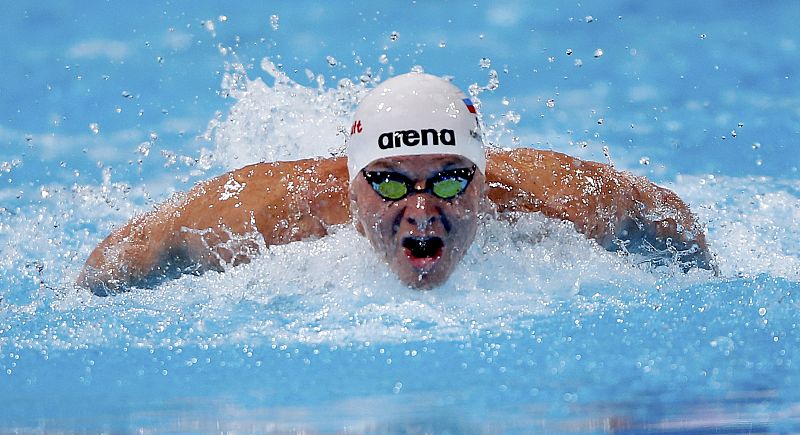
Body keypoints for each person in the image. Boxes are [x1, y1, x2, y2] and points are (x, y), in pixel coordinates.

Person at [77, 72, 713, 295]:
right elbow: (116, 260)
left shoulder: (563, 202)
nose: (420, 212)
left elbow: (670, 219)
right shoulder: (265, 215)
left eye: (449, 181)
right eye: (388, 185)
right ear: (351, 185)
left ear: (485, 181)